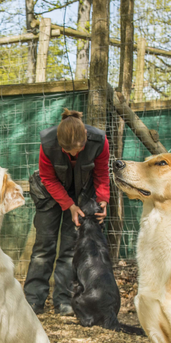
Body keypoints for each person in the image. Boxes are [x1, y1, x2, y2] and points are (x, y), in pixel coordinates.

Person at [24, 109, 111, 316]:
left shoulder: (100, 142)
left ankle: (63, 301)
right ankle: (33, 300)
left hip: (81, 191)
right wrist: (68, 205)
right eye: (67, 151)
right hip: (49, 191)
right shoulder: (47, 143)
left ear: (86, 139)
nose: (73, 154)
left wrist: (102, 199)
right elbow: (49, 178)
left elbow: (101, 172)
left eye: (78, 150)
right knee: (44, 245)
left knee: (71, 247)